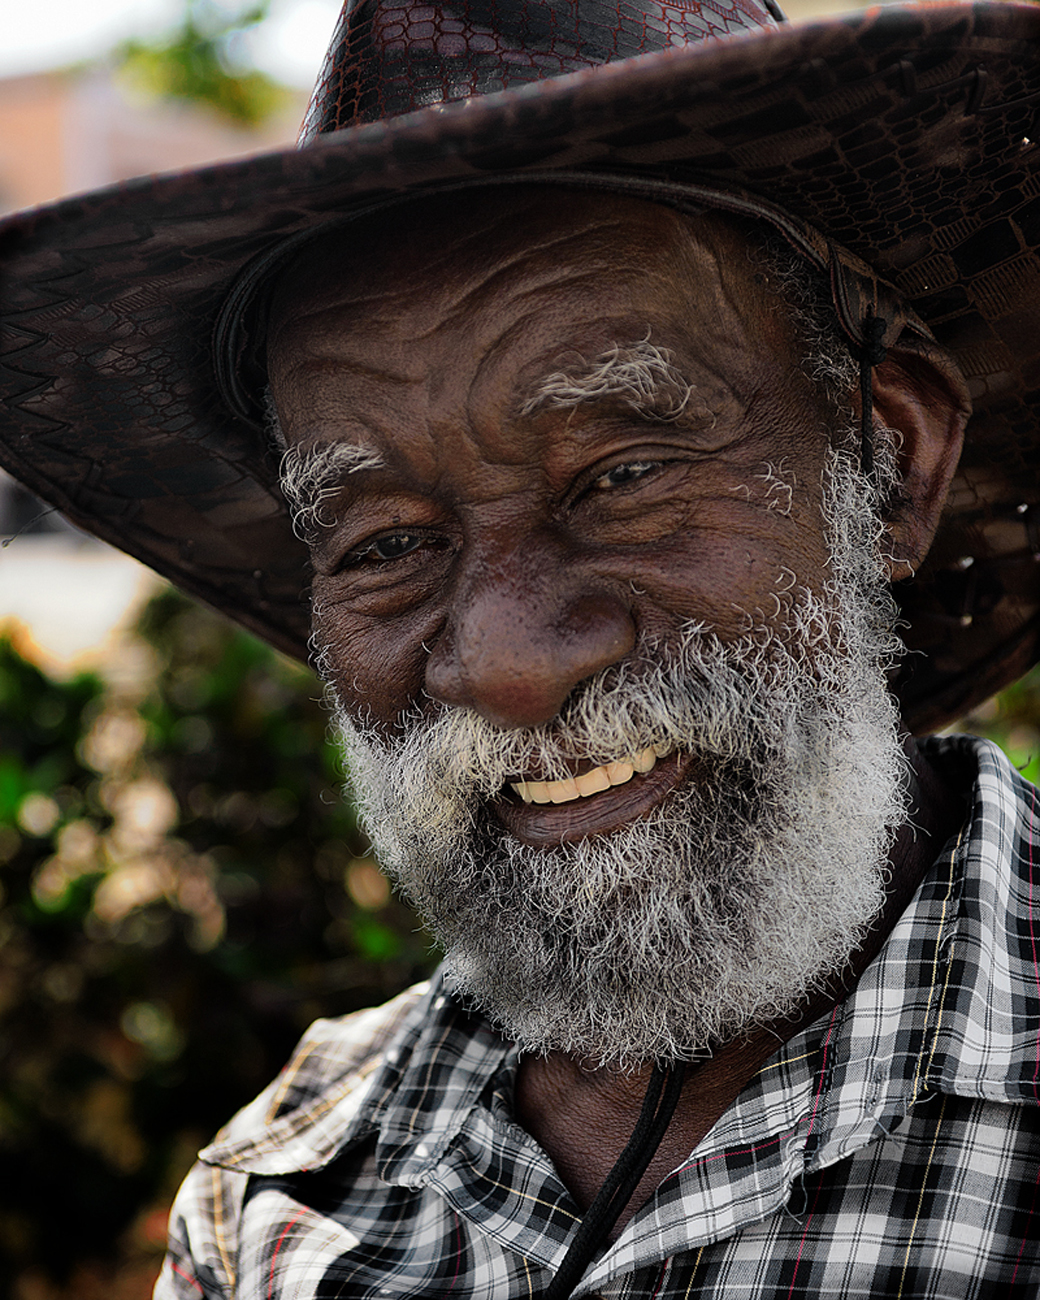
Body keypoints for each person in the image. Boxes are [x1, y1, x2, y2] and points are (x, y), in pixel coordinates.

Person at [2, 0, 1039, 1295]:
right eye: (384, 544)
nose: (504, 664)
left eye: (624, 475)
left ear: (890, 463)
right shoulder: (282, 1200)